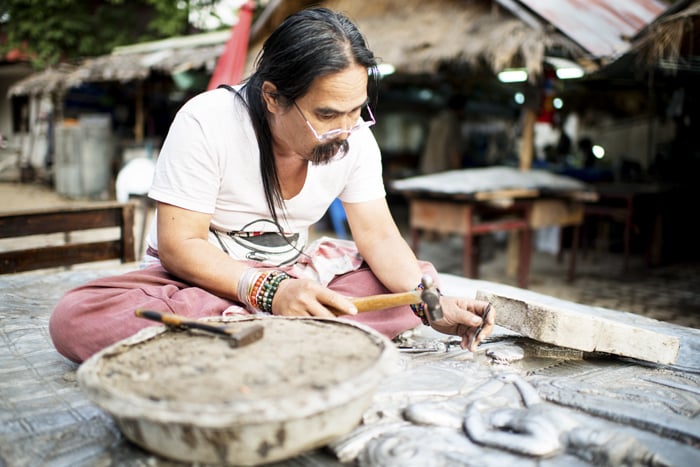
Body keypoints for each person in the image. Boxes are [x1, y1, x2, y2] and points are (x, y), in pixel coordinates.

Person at [49, 7, 494, 364]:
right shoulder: (207, 121)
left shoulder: (355, 136)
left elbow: (378, 234)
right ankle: (282, 333)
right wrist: (270, 293)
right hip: (200, 285)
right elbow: (180, 245)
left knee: (412, 286)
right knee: (76, 319)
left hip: (295, 278)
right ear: (273, 97)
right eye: (326, 115)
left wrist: (427, 306)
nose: (345, 129)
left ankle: (240, 340)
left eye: (356, 110)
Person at [419, 93, 466, 174]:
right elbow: (455, 152)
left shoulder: (436, 120)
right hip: (443, 172)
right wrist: (458, 174)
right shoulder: (453, 122)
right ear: (461, 109)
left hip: (427, 170)